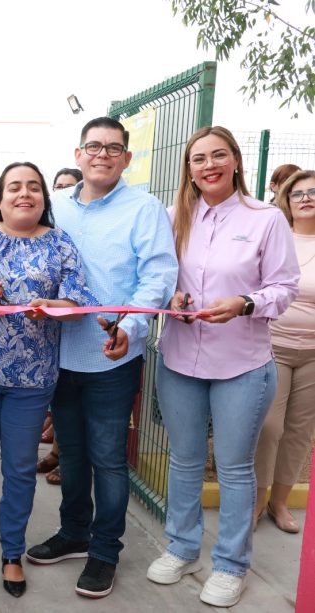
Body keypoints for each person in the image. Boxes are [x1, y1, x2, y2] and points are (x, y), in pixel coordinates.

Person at [26, 117, 178, 600]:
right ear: (78, 153)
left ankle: (105, 551)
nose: (103, 155)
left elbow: (157, 277)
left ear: (127, 159)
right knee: (70, 452)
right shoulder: (58, 210)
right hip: (60, 355)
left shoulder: (144, 208)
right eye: (94, 146)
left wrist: (130, 328)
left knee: (109, 459)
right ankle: (74, 532)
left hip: (114, 357)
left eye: (114, 148)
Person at [147, 126, 298, 608]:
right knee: (185, 461)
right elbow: (158, 275)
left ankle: (231, 565)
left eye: (218, 155)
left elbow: (285, 286)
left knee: (234, 470)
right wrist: (171, 294)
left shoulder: (266, 218)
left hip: (242, 365)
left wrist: (245, 303)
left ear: (235, 160)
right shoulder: (174, 218)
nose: (208, 165)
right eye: (197, 159)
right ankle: (183, 548)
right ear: (188, 169)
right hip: (179, 360)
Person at [0, 162, 97, 599]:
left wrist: (53, 303)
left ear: (44, 198)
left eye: (34, 187)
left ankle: (12, 553)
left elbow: (78, 294)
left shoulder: (59, 242)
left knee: (18, 468)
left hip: (32, 378)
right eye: (14, 187)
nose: (24, 194)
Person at [254, 169, 315, 534]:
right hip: (272, 344)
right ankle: (257, 502)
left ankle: (280, 503)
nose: (307, 198)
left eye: (314, 192)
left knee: (299, 431)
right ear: (287, 201)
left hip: (314, 353)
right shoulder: (278, 236)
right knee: (268, 427)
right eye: (299, 194)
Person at [37, 166, 85, 487]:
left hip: (84, 332)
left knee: (75, 413)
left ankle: (66, 460)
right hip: (50, 334)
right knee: (61, 405)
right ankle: (58, 454)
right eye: (58, 187)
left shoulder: (66, 238)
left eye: (70, 186)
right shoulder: (53, 221)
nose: (63, 191)